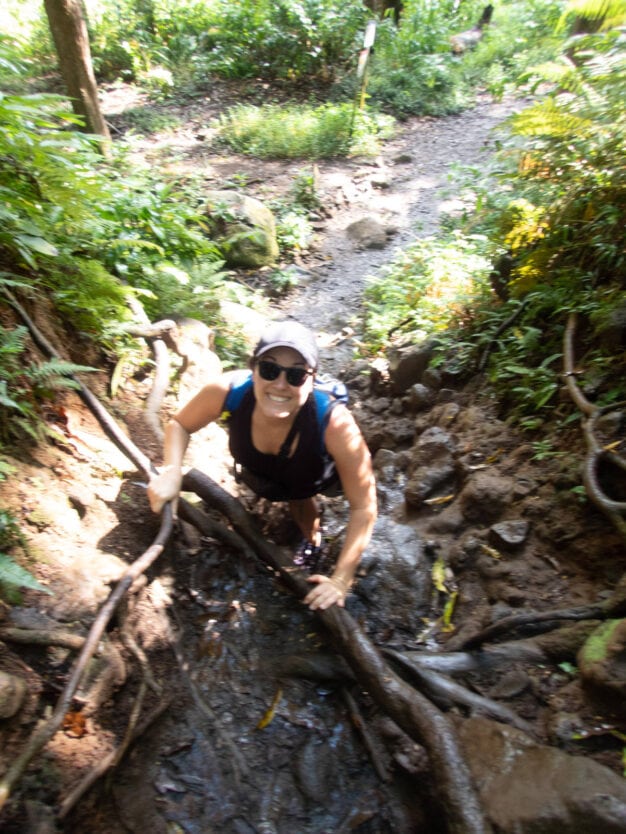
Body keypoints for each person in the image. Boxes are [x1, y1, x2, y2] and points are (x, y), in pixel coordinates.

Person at [147, 320, 377, 611]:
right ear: (253, 369)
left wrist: (341, 580)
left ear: (311, 379)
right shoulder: (228, 391)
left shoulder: (336, 423)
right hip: (259, 468)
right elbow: (179, 424)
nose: (280, 384)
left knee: (301, 501)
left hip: (313, 473)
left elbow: (364, 506)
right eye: (269, 369)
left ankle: (312, 543)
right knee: (288, 494)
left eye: (295, 375)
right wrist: (170, 472)